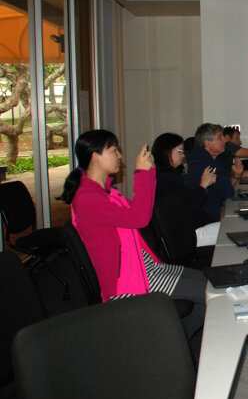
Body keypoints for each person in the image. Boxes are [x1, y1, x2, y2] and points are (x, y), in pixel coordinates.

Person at [60, 129, 206, 351]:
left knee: (210, 284)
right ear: (95, 157)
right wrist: (142, 174)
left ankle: (178, 343)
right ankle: (177, 348)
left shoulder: (106, 192)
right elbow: (139, 218)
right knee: (210, 295)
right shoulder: (87, 199)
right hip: (129, 282)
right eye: (113, 150)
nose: (119, 155)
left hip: (143, 268)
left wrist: (146, 174)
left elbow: (138, 213)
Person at [151, 133, 219, 245]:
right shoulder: (165, 180)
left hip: (192, 228)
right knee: (227, 231)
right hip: (187, 234)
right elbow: (187, 208)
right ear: (166, 151)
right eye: (180, 151)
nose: (183, 155)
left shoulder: (170, 175)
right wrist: (202, 186)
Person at [185, 123, 242, 226]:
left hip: (208, 219)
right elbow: (227, 192)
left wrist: (236, 175)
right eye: (220, 137)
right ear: (207, 143)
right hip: (202, 224)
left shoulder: (210, 158)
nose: (224, 140)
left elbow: (224, 190)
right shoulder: (204, 162)